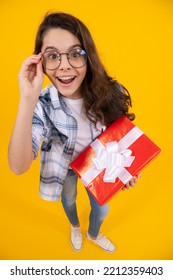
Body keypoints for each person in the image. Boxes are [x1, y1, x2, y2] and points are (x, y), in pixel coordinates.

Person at [8, 12, 141, 253]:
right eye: (52, 56)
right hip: (66, 168)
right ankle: (75, 227)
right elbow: (18, 166)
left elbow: (120, 137)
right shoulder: (42, 105)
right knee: (68, 200)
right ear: (41, 63)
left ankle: (93, 233)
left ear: (88, 56)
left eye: (75, 53)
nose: (64, 65)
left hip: (98, 166)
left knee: (102, 209)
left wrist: (126, 171)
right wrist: (28, 98)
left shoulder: (112, 92)